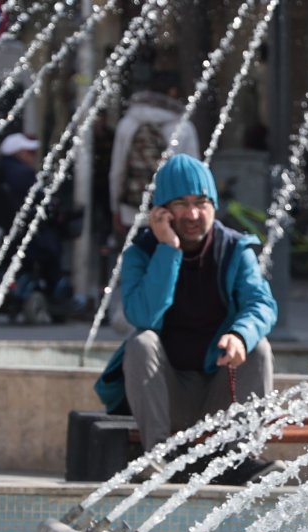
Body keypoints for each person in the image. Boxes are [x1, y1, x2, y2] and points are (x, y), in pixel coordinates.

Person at [94, 154, 278, 481]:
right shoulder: (143, 253)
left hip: (219, 390)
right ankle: (157, 459)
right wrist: (168, 250)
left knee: (258, 347)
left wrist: (239, 335)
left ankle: (240, 457)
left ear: (214, 205)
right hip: (167, 395)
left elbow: (261, 305)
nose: (193, 214)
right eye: (181, 204)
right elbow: (143, 316)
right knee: (142, 342)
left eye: (201, 203)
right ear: (162, 211)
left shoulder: (235, 250)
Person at [108, 74, 201, 238]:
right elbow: (193, 176)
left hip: (132, 212)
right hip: (172, 215)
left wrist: (116, 209)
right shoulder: (184, 128)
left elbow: (117, 171)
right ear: (173, 93)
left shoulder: (128, 123)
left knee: (135, 260)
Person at [0, 132, 65, 297]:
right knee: (51, 247)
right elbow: (42, 203)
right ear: (18, 153)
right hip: (24, 238)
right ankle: (55, 292)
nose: (34, 157)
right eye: (30, 153)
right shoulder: (24, 175)